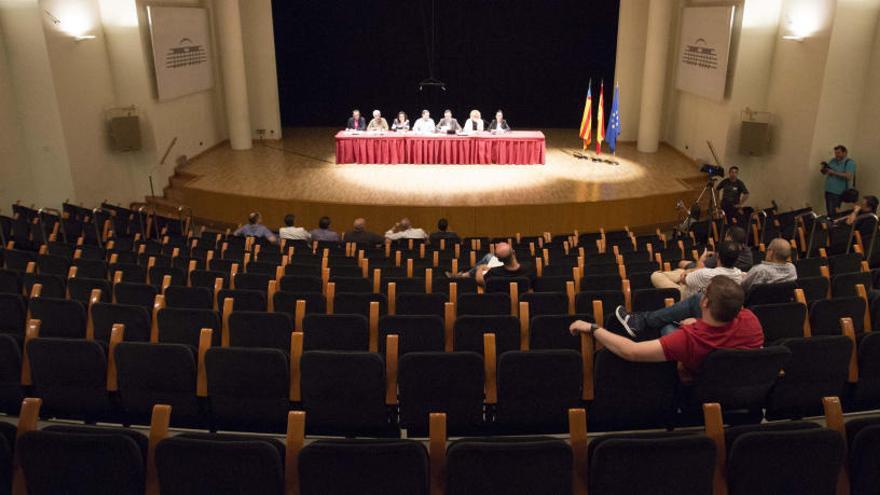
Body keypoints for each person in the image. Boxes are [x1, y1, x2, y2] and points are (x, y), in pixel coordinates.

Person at [571, 276, 763, 381]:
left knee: (666, 323)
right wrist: (697, 323)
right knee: (674, 317)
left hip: (701, 380)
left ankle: (643, 321)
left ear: (706, 303)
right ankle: (643, 321)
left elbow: (630, 351)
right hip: (738, 380)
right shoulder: (751, 320)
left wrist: (593, 328)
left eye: (703, 293)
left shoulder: (688, 339)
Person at [650, 240, 745, 298]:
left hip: (687, 296)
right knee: (681, 271)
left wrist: (701, 260)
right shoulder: (740, 275)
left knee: (656, 276)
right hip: (700, 286)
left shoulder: (705, 274)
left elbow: (684, 279)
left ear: (718, 257)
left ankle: (664, 274)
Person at [677, 226, 753, 272]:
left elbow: (699, 269)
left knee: (682, 263)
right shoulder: (748, 253)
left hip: (709, 274)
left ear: (729, 239)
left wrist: (702, 258)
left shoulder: (723, 255)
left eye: (726, 236)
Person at [821, 145, 856, 216]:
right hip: (828, 190)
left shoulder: (849, 163)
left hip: (837, 192)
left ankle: (833, 226)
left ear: (845, 153)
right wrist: (824, 169)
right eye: (835, 153)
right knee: (829, 211)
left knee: (833, 213)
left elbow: (848, 176)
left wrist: (833, 172)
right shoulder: (833, 160)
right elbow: (827, 172)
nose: (836, 155)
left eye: (839, 153)